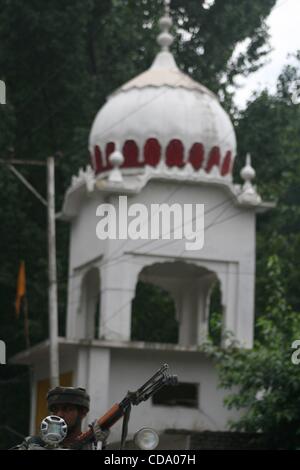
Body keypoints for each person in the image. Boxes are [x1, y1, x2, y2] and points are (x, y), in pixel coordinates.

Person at [12, 386, 109, 450]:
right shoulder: (33, 443)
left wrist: (101, 445)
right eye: (55, 410)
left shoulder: (92, 446)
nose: (59, 414)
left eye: (67, 409)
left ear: (82, 413)